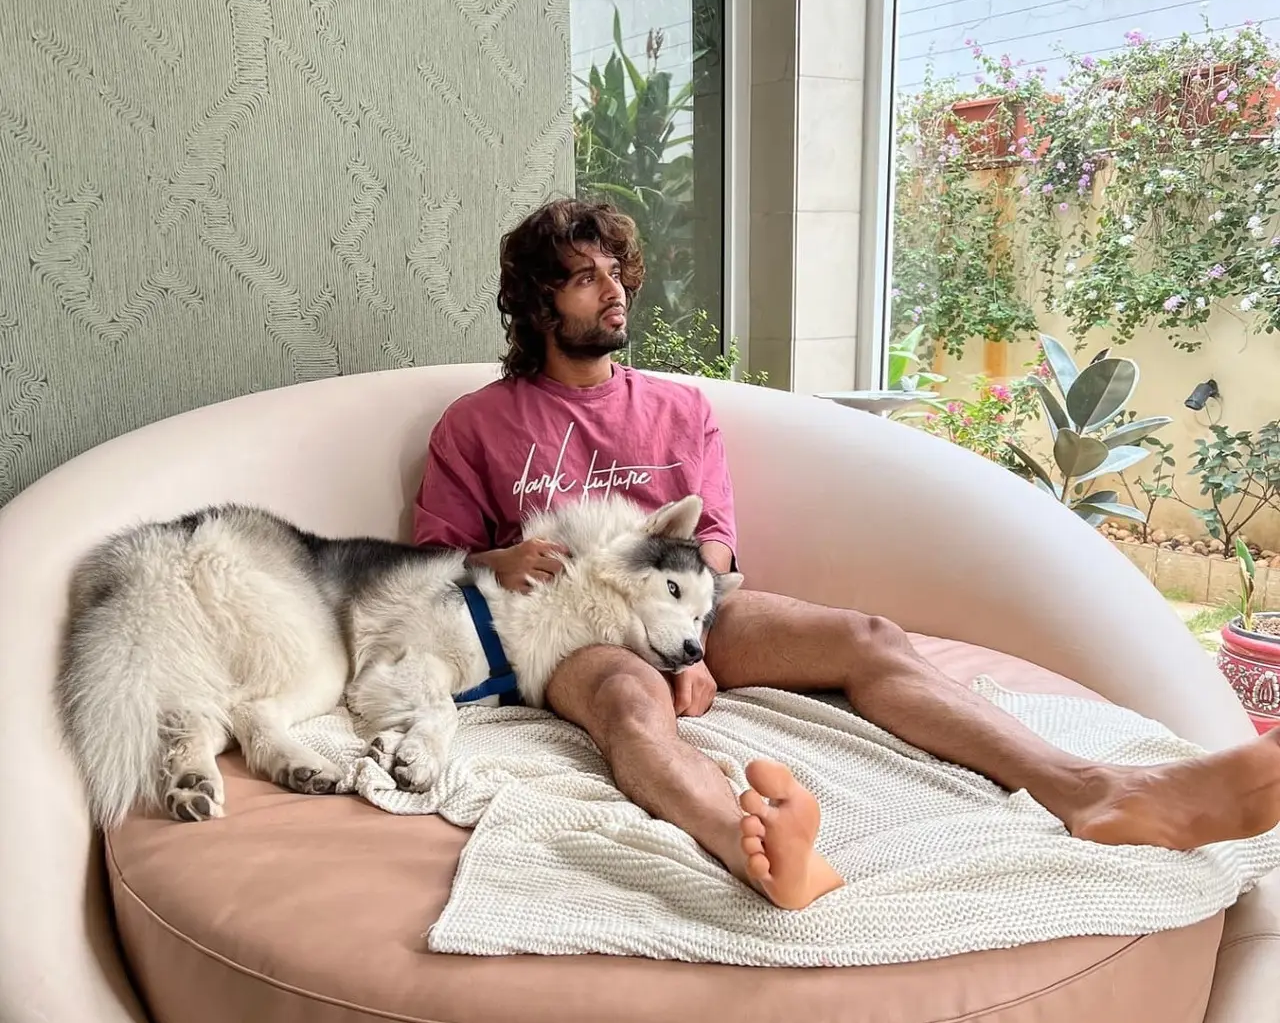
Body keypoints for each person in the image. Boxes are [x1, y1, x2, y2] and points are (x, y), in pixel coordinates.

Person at [413, 197, 1280, 910]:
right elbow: (429, 567)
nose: (614, 291)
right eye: (584, 278)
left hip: (694, 609)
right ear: (539, 304)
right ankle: (753, 853)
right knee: (628, 702)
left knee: (868, 636)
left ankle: (1095, 791)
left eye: (616, 271)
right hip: (576, 631)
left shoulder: (679, 410)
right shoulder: (478, 424)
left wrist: (691, 643)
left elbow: (714, 545)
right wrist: (498, 559)